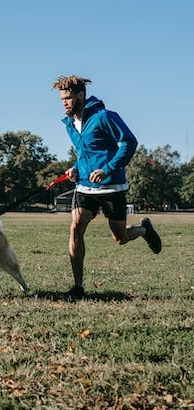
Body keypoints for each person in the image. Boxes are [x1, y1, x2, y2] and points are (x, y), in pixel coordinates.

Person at [53, 75, 162, 299]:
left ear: (81, 95)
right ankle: (78, 287)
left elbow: (129, 142)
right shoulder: (70, 124)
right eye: (62, 99)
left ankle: (143, 229)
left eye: (68, 98)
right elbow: (85, 154)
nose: (64, 103)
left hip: (112, 185)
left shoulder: (105, 117)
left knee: (120, 237)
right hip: (84, 187)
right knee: (76, 228)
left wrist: (108, 169)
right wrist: (75, 168)